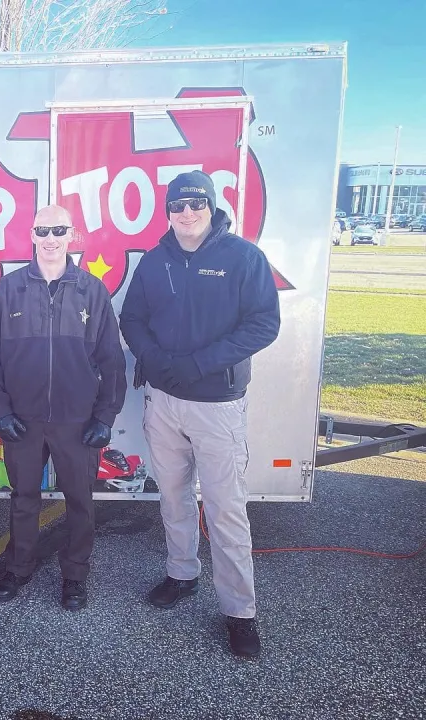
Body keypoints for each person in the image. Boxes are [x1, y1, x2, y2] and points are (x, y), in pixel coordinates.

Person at [118, 170, 280, 660]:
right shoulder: (155, 260)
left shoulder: (243, 257)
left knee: (226, 508)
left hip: (217, 406)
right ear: (167, 211)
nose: (186, 213)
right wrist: (159, 361)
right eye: (177, 205)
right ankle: (182, 573)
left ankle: (239, 612)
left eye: (196, 204)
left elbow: (264, 324)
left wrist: (201, 363)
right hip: (163, 403)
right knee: (172, 495)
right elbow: (131, 319)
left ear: (212, 207)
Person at [0, 204, 127, 611]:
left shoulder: (91, 290)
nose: (50, 238)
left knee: (79, 499)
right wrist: (0, 410)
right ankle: (18, 568)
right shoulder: (8, 289)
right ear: (31, 234)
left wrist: (104, 416)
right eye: (43, 230)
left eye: (58, 230)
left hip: (76, 421)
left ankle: (75, 575)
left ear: (71, 235)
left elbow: (112, 359)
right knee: (24, 496)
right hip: (22, 419)